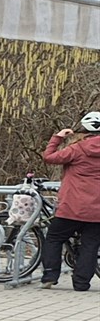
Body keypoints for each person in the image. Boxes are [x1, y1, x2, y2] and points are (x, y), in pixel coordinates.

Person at [40, 112, 100, 291]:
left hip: (71, 207)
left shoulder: (77, 149)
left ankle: (50, 276)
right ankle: (82, 283)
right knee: (91, 244)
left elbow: (49, 158)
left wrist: (57, 138)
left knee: (54, 238)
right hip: (97, 209)